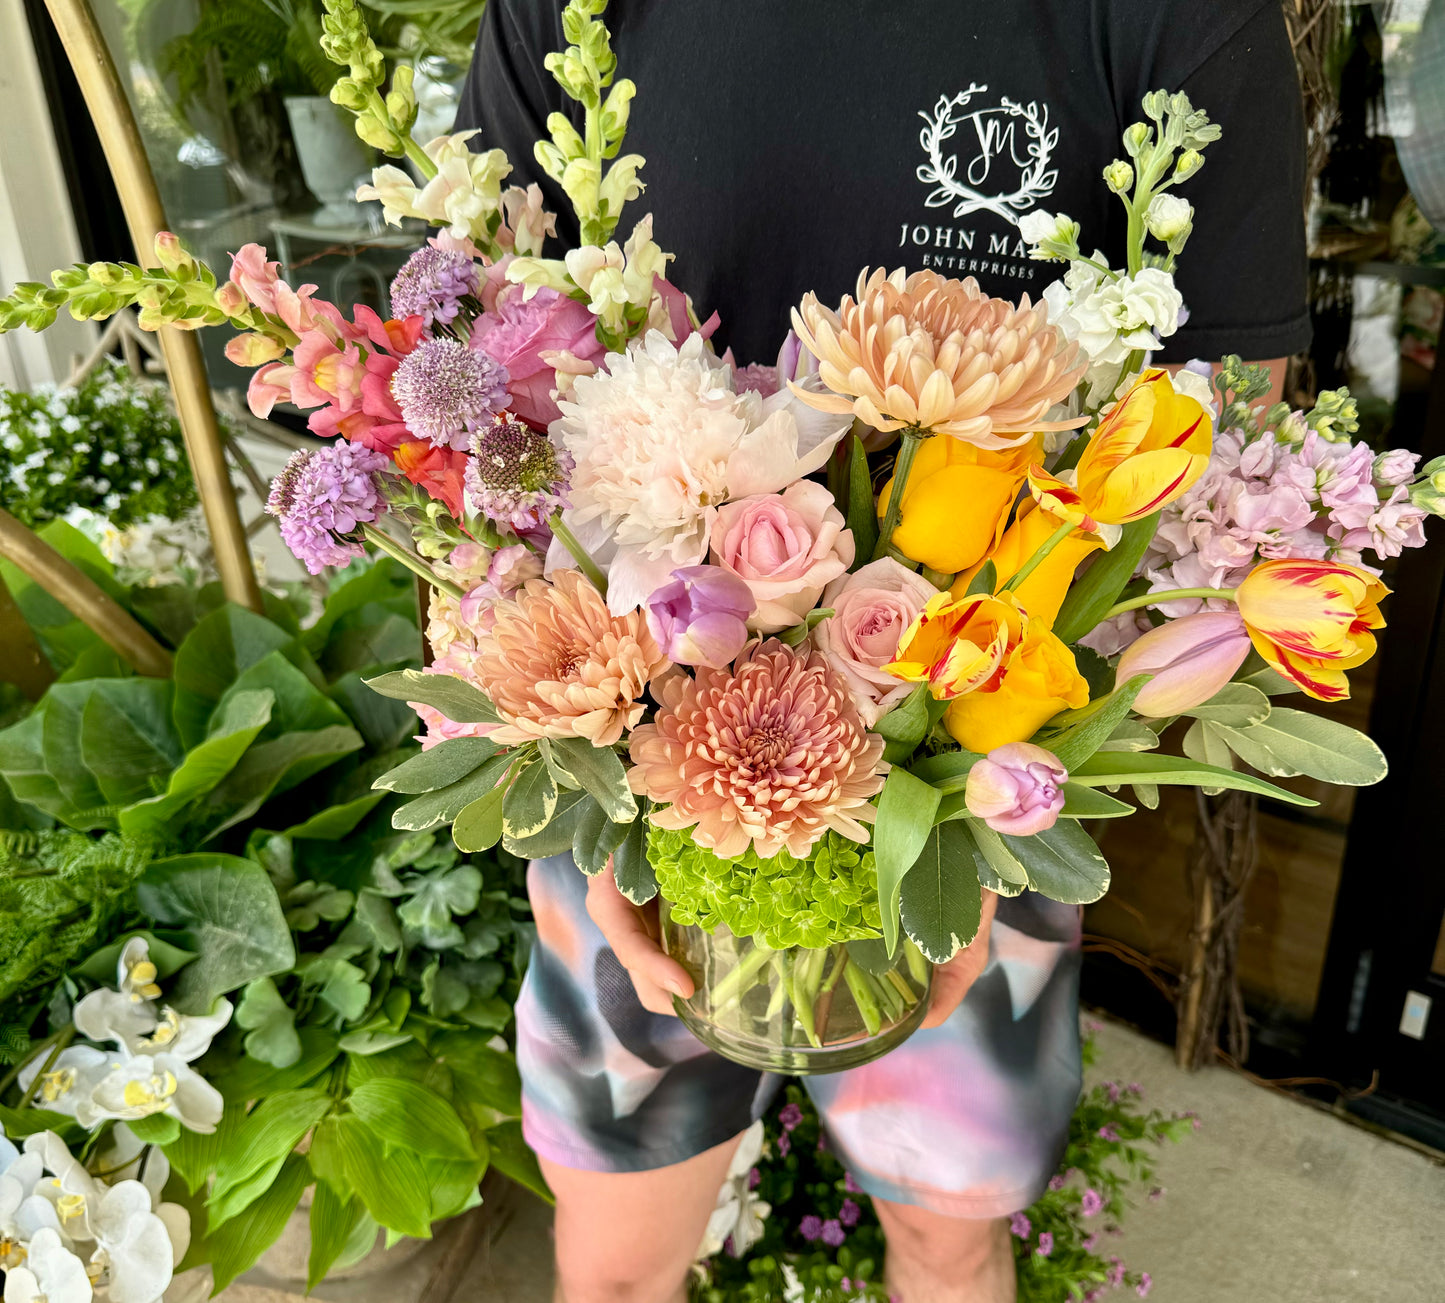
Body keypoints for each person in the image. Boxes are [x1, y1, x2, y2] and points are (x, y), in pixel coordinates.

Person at [455, 4, 1310, 1300]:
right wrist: (560, 769)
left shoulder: (1175, 22)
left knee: (947, 1236)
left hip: (975, 778)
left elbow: (1225, 471)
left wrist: (987, 833)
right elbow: (483, 397)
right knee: (617, 1263)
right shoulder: (566, 10)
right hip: (617, 753)